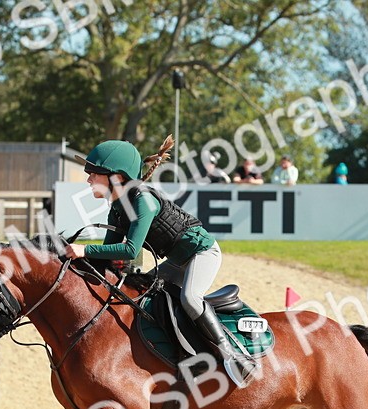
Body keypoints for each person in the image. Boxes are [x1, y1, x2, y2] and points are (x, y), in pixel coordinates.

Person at [67, 139, 255, 386]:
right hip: (177, 261)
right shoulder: (117, 208)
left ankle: (233, 356)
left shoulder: (143, 201)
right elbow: (108, 256)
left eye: (93, 173)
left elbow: (130, 249)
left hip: (202, 253)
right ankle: (179, 355)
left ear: (117, 177)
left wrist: (83, 250)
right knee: (144, 297)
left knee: (190, 298)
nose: (88, 179)